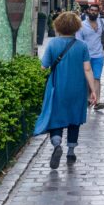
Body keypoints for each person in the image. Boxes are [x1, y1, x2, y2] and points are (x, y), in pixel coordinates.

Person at [34, 12, 97, 169]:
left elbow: (43, 67)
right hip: (77, 89)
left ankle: (57, 145)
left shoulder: (53, 44)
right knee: (74, 119)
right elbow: (87, 69)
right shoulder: (82, 46)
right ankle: (70, 151)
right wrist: (93, 90)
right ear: (76, 27)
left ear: (59, 26)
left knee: (56, 117)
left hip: (57, 87)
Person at [76, 4, 104, 110]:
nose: (93, 12)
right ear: (88, 11)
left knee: (97, 77)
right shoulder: (82, 25)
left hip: (99, 55)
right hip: (86, 56)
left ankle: (97, 101)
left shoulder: (102, 22)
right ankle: (88, 99)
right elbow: (78, 40)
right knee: (87, 78)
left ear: (98, 12)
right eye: (92, 10)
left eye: (96, 10)